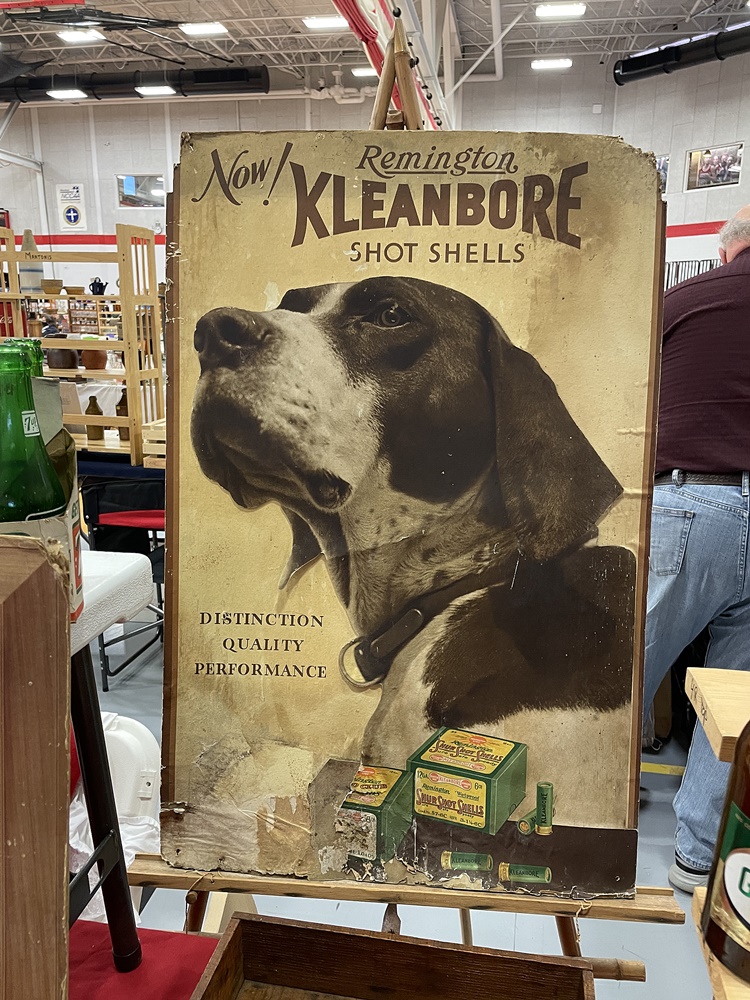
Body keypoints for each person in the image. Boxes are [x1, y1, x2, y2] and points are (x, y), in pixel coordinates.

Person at [644, 205, 750, 893]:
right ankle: (697, 856)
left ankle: (579, 817)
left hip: (691, 502)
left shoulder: (688, 299)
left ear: (728, 248)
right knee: (736, 700)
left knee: (620, 674)